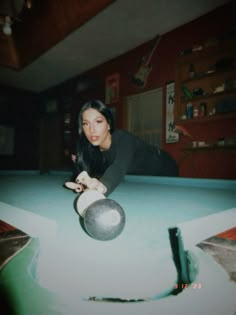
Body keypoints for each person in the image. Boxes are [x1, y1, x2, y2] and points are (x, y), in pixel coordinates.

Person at [65, 100, 178, 196]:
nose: (92, 129)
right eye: (86, 124)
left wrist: (102, 187)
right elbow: (94, 174)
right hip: (143, 177)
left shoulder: (123, 138)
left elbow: (118, 168)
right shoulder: (92, 150)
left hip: (165, 168)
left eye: (98, 122)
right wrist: (82, 184)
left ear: (108, 124)